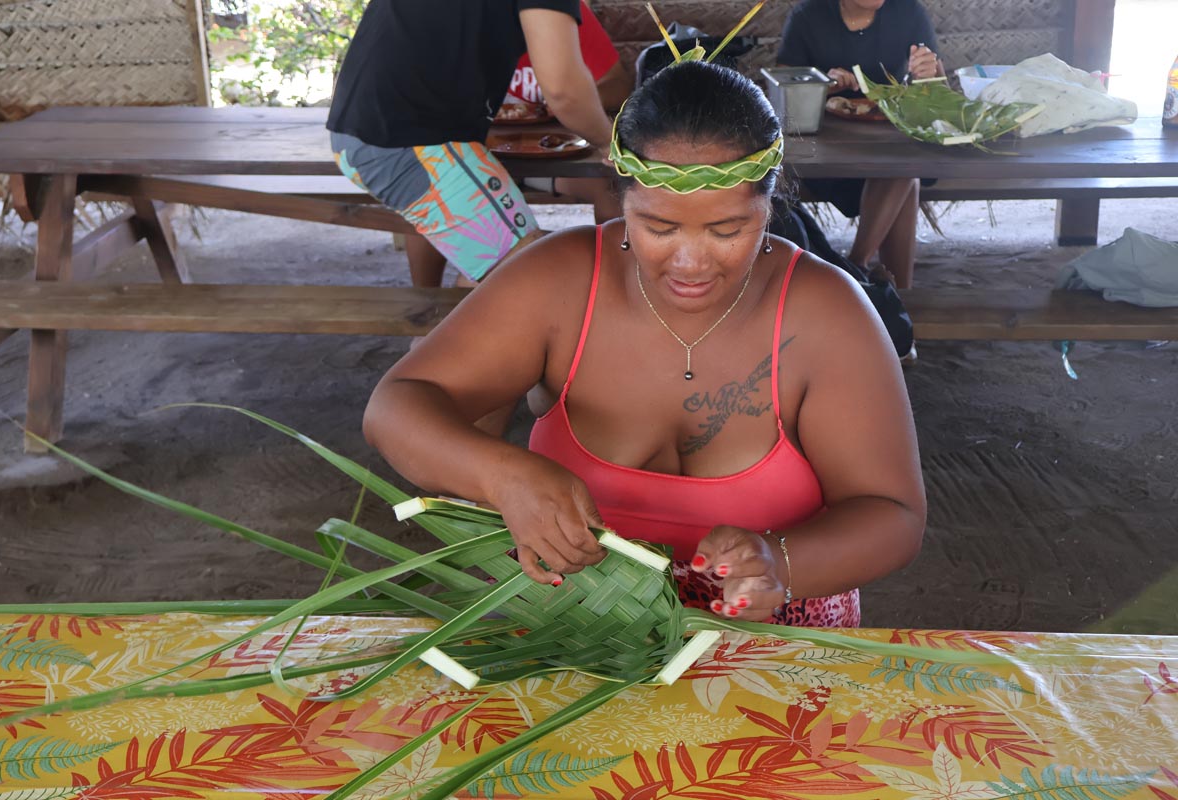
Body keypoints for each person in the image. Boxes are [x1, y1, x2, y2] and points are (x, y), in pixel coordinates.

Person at [363, 55, 925, 627]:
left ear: (769, 205)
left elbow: (893, 513)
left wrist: (781, 564)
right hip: (575, 628)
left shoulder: (826, 311)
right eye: (657, 227)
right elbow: (397, 405)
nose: (690, 263)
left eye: (727, 230)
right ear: (621, 199)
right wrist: (502, 475)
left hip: (769, 640)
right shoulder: (560, 279)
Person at [327, 0, 614, 288]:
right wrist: (612, 143)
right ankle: (441, 330)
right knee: (532, 279)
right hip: (407, 138)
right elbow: (564, 90)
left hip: (377, 126)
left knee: (511, 271)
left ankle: (443, 325)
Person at [776, 0, 945, 289]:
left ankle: (856, 267)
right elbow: (784, 87)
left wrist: (931, 73)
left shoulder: (908, 11)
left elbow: (938, 93)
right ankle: (893, 299)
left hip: (890, 142)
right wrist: (821, 83)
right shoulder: (809, 15)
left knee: (903, 169)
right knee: (905, 174)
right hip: (829, 152)